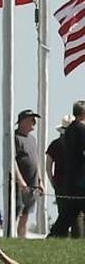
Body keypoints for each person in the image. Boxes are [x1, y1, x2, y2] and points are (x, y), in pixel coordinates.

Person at [47, 113, 81, 238]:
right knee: (74, 214)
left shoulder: (55, 144)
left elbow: (48, 166)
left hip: (61, 183)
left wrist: (52, 181)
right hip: (75, 184)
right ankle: (75, 237)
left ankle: (59, 236)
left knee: (64, 212)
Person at [55, 100, 85, 238]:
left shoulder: (70, 130)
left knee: (68, 213)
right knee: (69, 212)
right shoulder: (81, 130)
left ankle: (54, 235)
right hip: (79, 179)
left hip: (71, 179)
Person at [12, 108, 42, 237]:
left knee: (26, 214)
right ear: (23, 121)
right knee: (16, 211)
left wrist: (40, 180)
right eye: (31, 120)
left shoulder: (32, 139)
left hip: (33, 183)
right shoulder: (15, 138)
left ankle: (22, 238)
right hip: (20, 184)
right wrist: (20, 180)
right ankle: (10, 235)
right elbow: (12, 160)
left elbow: (36, 159)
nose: (34, 123)